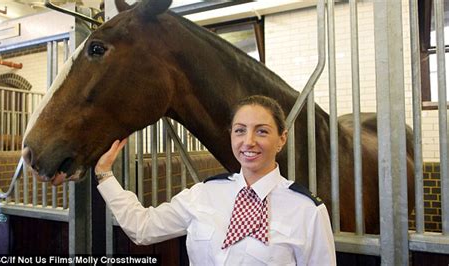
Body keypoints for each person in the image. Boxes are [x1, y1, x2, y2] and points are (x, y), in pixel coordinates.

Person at [95, 95, 336, 265]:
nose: (248, 141)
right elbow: (143, 228)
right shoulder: (204, 193)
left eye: (261, 131)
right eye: (240, 130)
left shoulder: (307, 210)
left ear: (282, 139)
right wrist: (105, 173)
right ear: (231, 135)